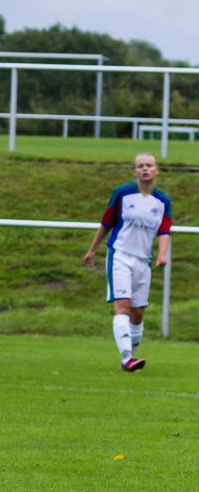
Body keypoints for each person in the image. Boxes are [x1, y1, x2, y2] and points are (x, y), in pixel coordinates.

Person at [82, 152, 172, 371]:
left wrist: (162, 254)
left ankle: (131, 355)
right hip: (120, 255)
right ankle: (126, 358)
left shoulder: (162, 201)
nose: (145, 169)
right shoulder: (122, 193)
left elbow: (164, 230)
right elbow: (106, 223)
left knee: (138, 313)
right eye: (140, 166)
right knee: (122, 306)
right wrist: (92, 249)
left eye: (149, 165)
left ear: (156, 170)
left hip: (143, 262)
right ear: (135, 171)